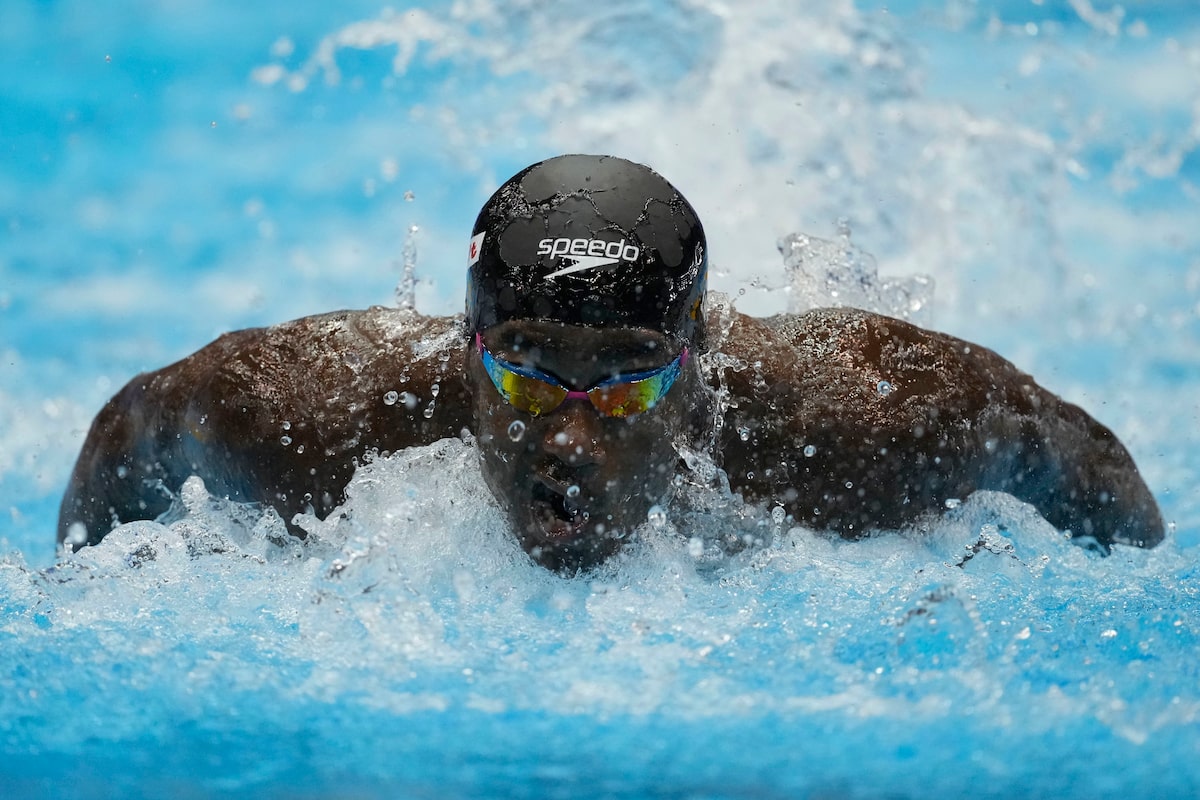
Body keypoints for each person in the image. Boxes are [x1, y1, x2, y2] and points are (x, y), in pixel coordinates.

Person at [58, 154, 1165, 571]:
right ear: (468, 346)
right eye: (528, 372)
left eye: (631, 378)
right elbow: (130, 434)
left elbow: (1085, 463)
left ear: (696, 359)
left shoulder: (861, 422)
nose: (571, 434)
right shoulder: (303, 411)